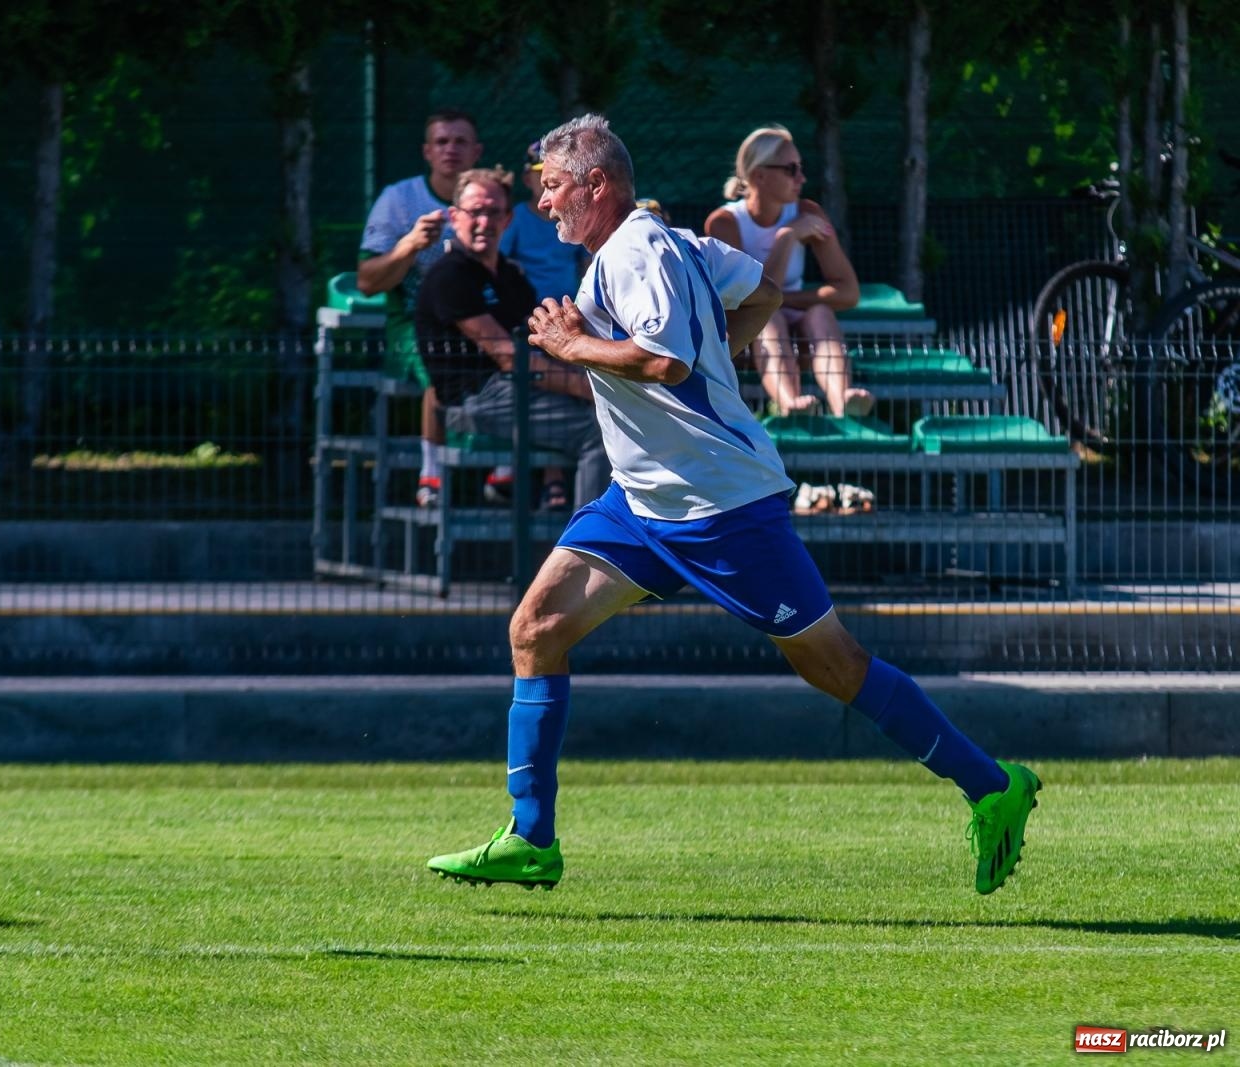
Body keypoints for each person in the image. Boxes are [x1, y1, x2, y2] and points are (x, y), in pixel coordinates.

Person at [426, 114, 1040, 897]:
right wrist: (709, 348)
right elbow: (766, 293)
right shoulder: (671, 241)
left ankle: (993, 785)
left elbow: (666, 361)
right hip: (643, 500)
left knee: (834, 665)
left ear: (595, 184)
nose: (542, 203)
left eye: (551, 187)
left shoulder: (635, 250)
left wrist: (576, 347)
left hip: (719, 505)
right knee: (536, 627)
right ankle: (530, 836)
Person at [414, 167, 608, 510]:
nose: (484, 222)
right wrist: (589, 388)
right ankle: (592, 540)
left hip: (519, 388)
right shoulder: (450, 275)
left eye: (493, 213)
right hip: (475, 402)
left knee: (616, 410)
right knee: (601, 431)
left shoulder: (510, 275)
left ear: (507, 220)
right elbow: (510, 357)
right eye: (475, 212)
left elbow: (539, 342)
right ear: (455, 217)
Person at [356, 109, 512, 507]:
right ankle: (433, 475)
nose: (450, 150)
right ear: (427, 151)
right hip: (415, 321)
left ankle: (505, 465)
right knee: (442, 362)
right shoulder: (398, 200)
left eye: (460, 142)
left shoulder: (491, 198)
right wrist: (409, 245)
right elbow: (367, 282)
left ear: (477, 151)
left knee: (519, 357)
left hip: (478, 315)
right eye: (442, 142)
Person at [705, 125, 871, 419]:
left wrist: (785, 300)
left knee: (820, 314)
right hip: (743, 342)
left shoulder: (809, 213)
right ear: (759, 175)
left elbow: (848, 292)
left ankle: (842, 400)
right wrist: (786, 237)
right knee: (770, 319)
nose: (801, 178)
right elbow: (748, 299)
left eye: (800, 168)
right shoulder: (723, 223)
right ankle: (789, 403)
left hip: (798, 336)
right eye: (791, 169)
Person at [499, 139, 587, 305]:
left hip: (571, 308)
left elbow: (587, 264)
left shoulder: (576, 217)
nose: (548, 179)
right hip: (528, 310)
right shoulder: (515, 217)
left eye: (556, 173)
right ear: (527, 180)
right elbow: (498, 260)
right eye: (540, 173)